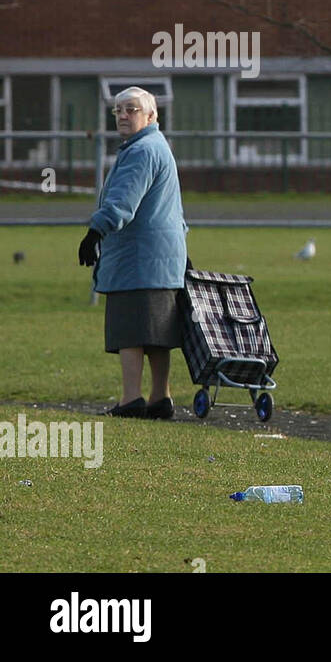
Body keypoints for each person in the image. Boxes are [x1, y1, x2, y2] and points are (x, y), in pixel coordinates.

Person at [78, 87, 191, 419]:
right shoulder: (158, 147)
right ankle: (160, 397)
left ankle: (131, 399)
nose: (124, 115)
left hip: (137, 257)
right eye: (119, 110)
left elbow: (123, 201)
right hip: (163, 255)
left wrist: (95, 231)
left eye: (132, 109)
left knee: (130, 329)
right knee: (157, 332)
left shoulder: (141, 151)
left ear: (152, 115)